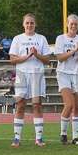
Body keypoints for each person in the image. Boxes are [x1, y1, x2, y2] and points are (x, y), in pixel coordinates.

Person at [8, 13, 51, 147]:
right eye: (27, 23)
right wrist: (27, 56)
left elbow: (47, 60)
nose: (29, 25)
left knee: (37, 105)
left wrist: (36, 54)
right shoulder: (17, 39)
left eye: (32, 23)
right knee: (20, 105)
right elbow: (12, 59)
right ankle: (16, 138)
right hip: (22, 75)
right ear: (23, 24)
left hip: (37, 74)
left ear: (35, 24)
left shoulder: (41, 38)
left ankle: (39, 138)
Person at [54, 14, 78, 145]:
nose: (73, 26)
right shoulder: (60, 38)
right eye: (71, 23)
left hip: (77, 74)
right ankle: (63, 133)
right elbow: (60, 58)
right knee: (69, 104)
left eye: (76, 24)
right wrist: (74, 50)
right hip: (63, 74)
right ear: (67, 24)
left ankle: (76, 137)